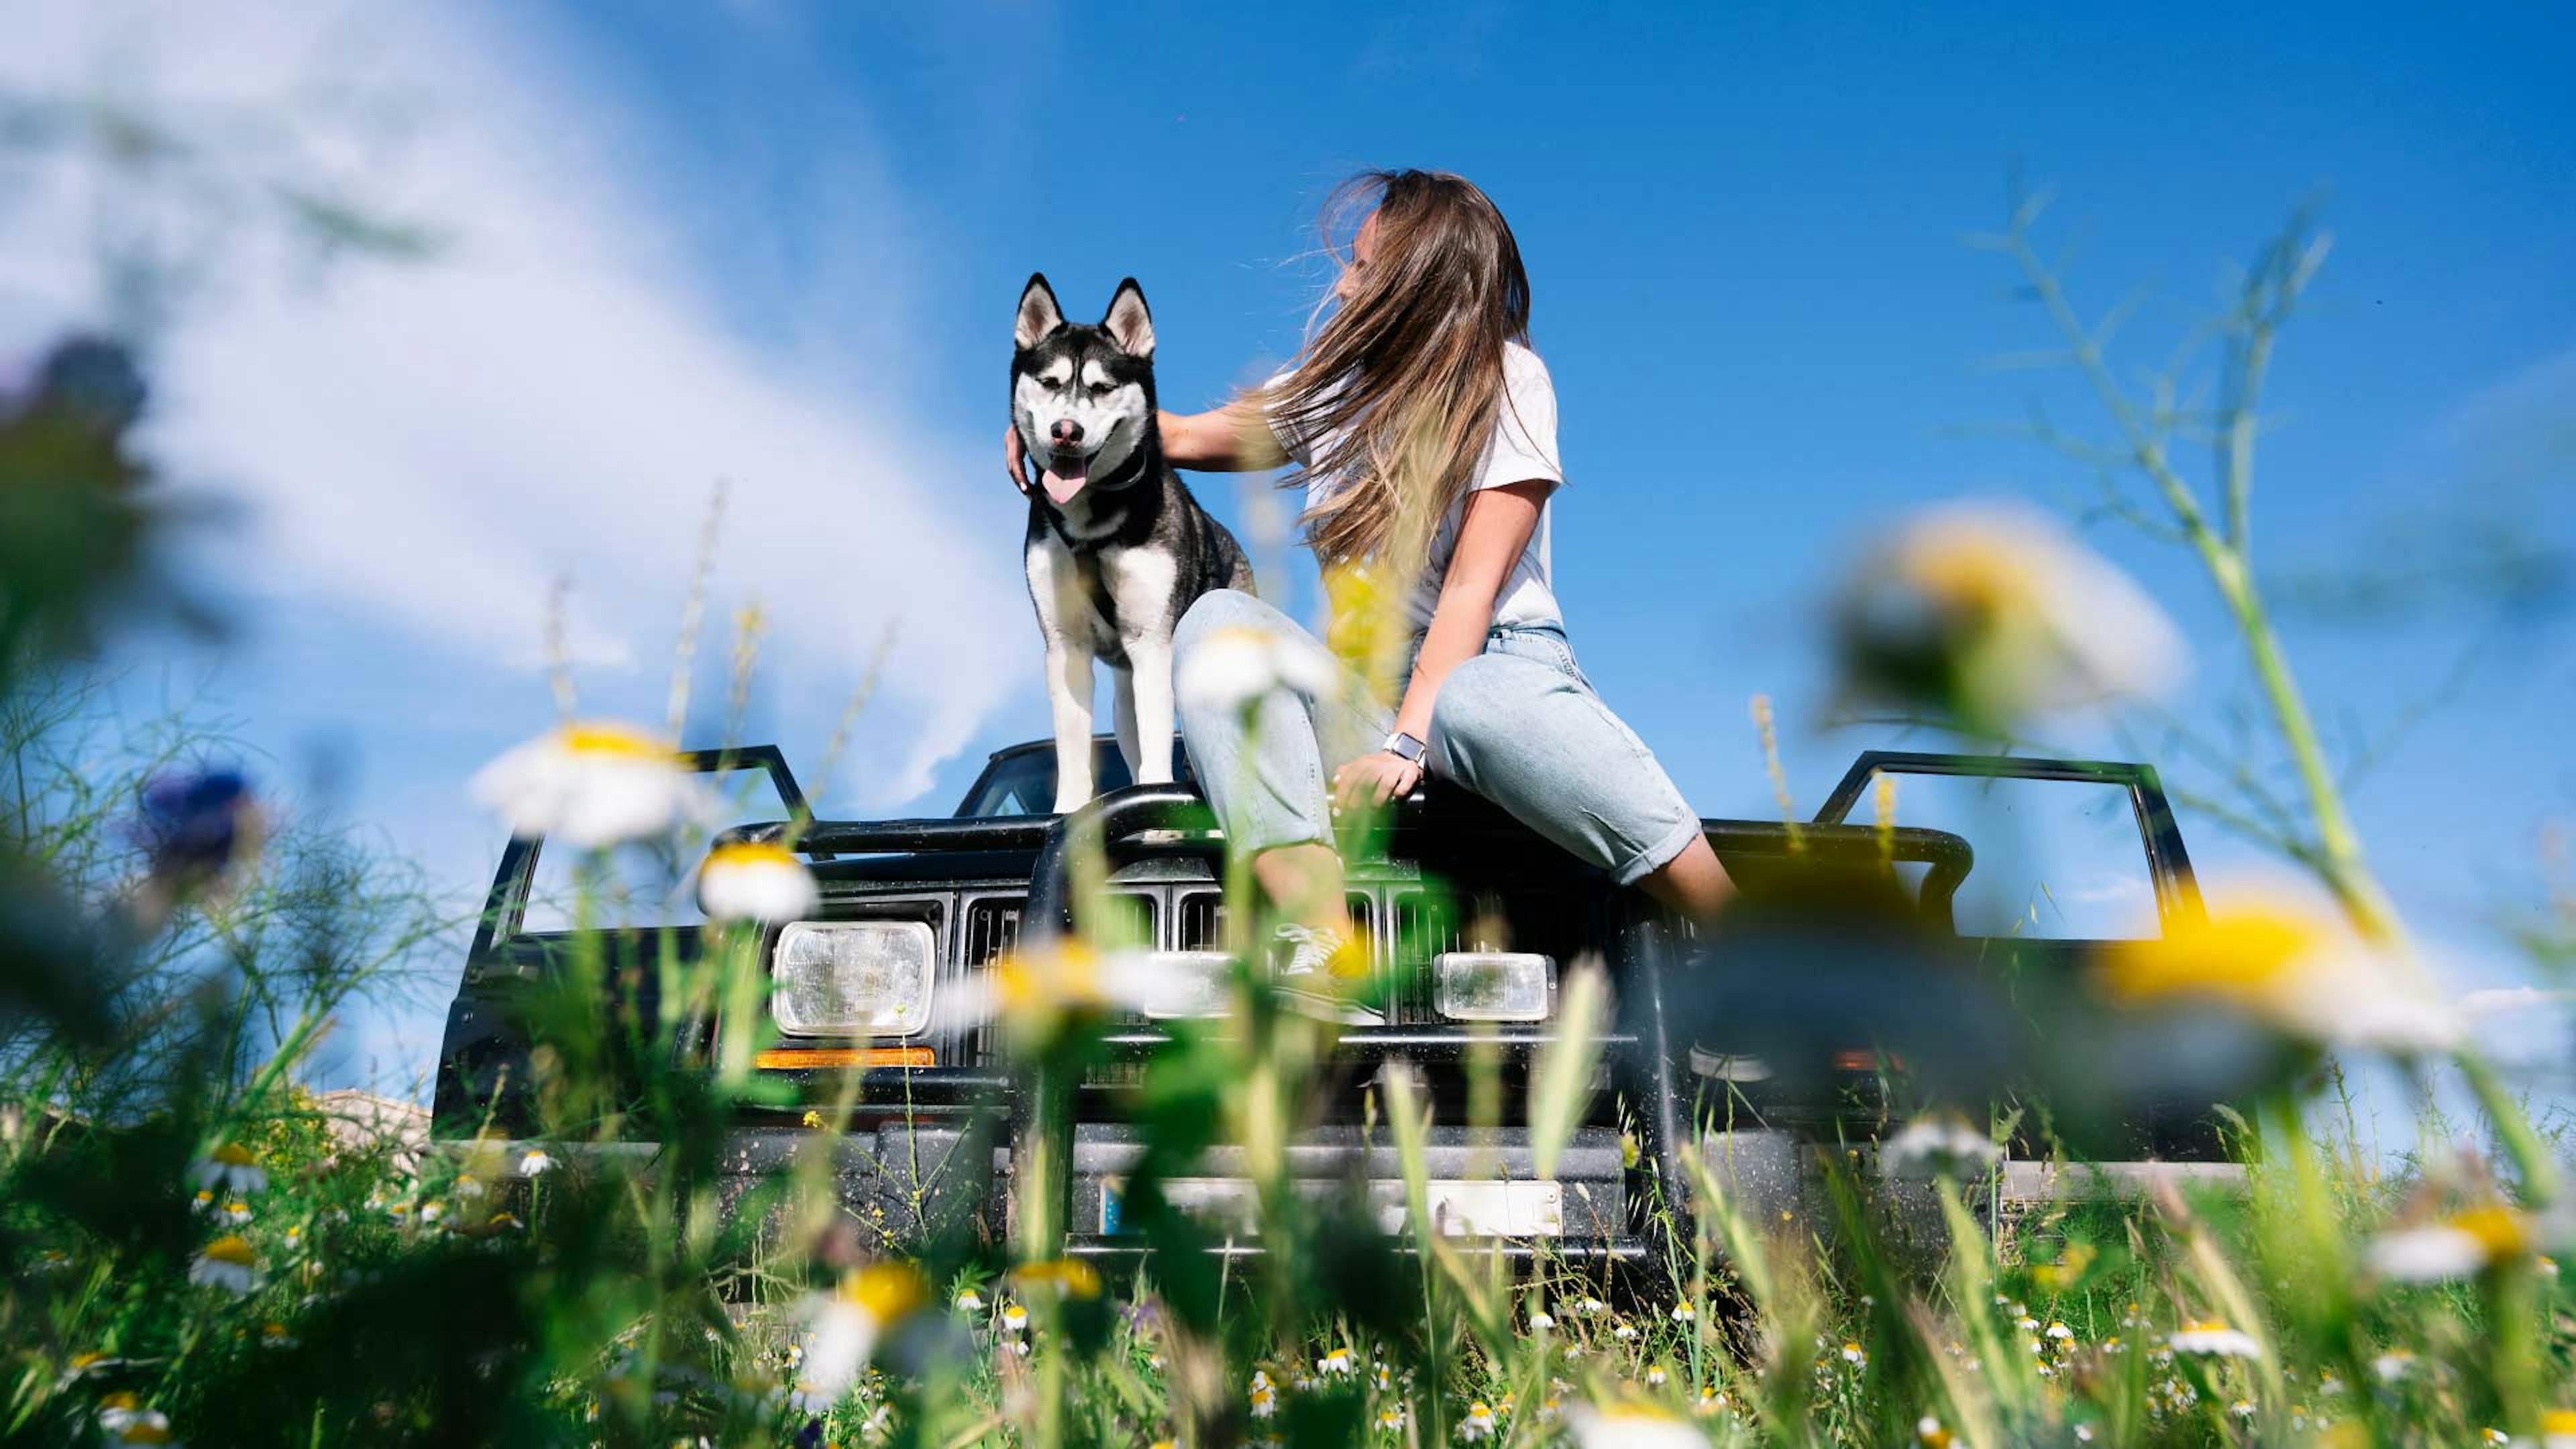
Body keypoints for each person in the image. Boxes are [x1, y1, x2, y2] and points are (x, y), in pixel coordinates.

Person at [1006, 169, 1734, 1020]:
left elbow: (1470, 589)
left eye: (1360, 265)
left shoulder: (1510, 380)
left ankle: (1749, 943)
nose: (1343, 282)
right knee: (1217, 622)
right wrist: (1060, 427)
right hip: (1365, 695)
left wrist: (1408, 744)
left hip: (1494, 679)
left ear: (1415, 279)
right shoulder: (1332, 390)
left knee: (1472, 698)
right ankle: (1319, 948)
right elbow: (1189, 434)